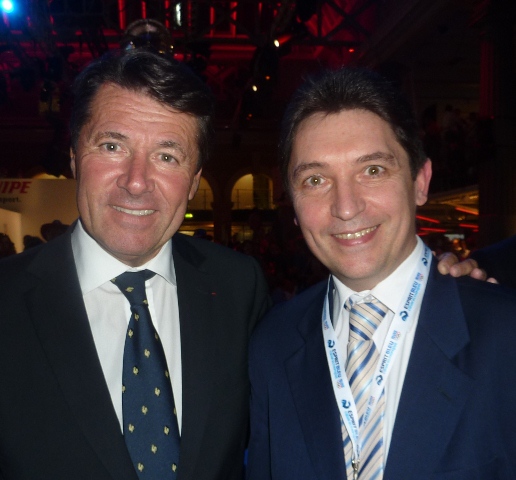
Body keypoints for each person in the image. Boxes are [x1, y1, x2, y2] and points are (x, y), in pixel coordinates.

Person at [0, 48, 270, 480]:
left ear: (194, 181)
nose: (137, 181)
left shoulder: (239, 287)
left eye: (167, 156)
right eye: (112, 146)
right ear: (74, 157)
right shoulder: (7, 299)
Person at [247, 68, 516, 479]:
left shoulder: (505, 334)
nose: (346, 207)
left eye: (372, 170)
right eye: (315, 180)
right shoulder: (272, 343)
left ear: (420, 181)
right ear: (293, 206)